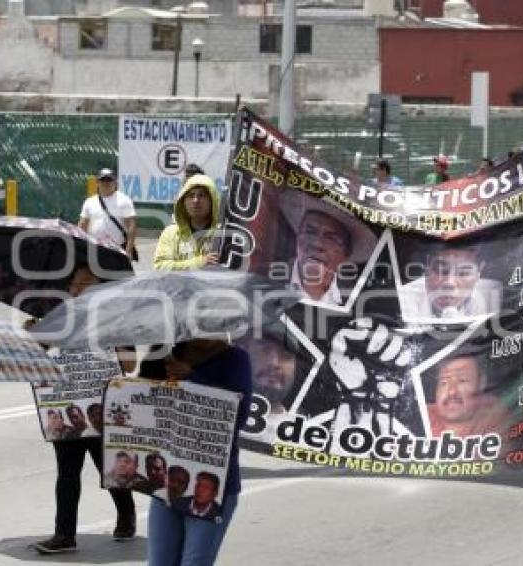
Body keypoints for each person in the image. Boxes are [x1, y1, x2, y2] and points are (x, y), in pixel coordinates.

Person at [32, 264, 137, 555]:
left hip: (102, 409)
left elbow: (130, 365)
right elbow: (34, 356)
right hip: (67, 410)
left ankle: (126, 514)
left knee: (109, 468)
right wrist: (34, 335)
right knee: (67, 473)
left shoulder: (114, 321)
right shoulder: (57, 320)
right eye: (74, 285)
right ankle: (64, 535)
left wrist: (114, 343)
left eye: (86, 284)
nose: (78, 290)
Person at [139, 339, 252, 566]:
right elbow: (143, 397)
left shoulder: (234, 358)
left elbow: (238, 417)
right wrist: (159, 350)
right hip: (168, 481)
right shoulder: (170, 350)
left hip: (214, 484)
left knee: (195, 562)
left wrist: (191, 377)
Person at [278, 191, 377, 306]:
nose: (317, 243)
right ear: (297, 236)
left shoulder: (355, 300)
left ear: (346, 253)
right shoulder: (266, 280)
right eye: (309, 232)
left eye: (331, 238)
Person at [399, 244, 501, 322]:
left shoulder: (495, 299)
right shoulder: (402, 301)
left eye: (463, 273)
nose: (449, 283)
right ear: (427, 267)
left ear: (479, 272)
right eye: (441, 270)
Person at [427, 356, 508, 438]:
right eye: (444, 382)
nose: (452, 391)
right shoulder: (423, 416)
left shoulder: (494, 414)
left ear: (481, 383)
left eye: (462, 380)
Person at [153, 174, 221, 270]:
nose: (196, 200)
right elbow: (160, 267)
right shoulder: (171, 233)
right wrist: (198, 263)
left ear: (212, 200)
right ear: (183, 202)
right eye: (190, 195)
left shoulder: (222, 235)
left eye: (202, 195)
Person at [79, 168, 137, 261]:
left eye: (109, 180)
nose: (106, 183)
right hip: (94, 248)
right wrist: (81, 248)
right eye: (103, 180)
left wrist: (129, 250)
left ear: (115, 182)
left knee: (117, 275)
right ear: (97, 182)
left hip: (117, 249)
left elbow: (131, 226)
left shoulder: (124, 200)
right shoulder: (89, 202)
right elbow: (82, 226)